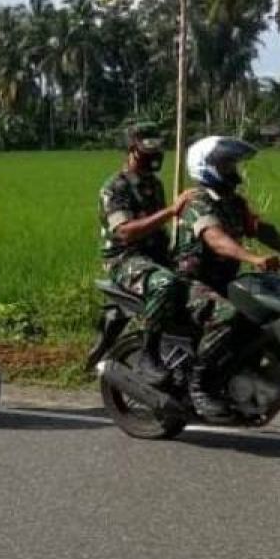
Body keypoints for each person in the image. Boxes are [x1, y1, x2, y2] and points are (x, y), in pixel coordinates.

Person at [174, 136, 280, 418]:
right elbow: (216, 240)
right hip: (193, 283)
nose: (232, 170)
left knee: (266, 310)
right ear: (206, 167)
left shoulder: (234, 202)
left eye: (232, 164)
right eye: (225, 164)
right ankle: (199, 385)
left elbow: (264, 231)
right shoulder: (197, 202)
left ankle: (245, 372)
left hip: (225, 280)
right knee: (227, 314)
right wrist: (254, 258)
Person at [98, 122, 197, 386]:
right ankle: (148, 353)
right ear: (132, 150)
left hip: (157, 255)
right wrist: (171, 211)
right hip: (125, 259)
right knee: (166, 285)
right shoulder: (114, 187)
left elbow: (159, 226)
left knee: (204, 280)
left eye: (157, 150)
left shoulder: (154, 183)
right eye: (147, 151)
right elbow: (126, 232)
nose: (155, 156)